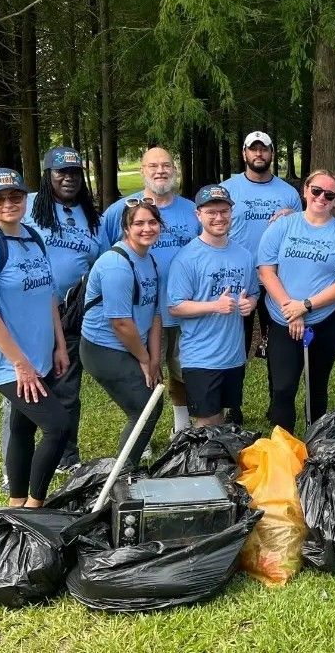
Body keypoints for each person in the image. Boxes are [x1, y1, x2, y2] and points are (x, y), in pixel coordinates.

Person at [0, 168, 70, 507]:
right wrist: (20, 365)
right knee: (58, 426)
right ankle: (36, 507)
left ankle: (17, 503)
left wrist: (60, 344)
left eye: (15, 196)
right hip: (7, 360)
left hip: (38, 353)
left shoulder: (32, 236)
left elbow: (48, 294)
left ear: (26, 198)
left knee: (23, 429)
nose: (8, 203)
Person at [0, 145, 101, 489]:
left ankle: (67, 459)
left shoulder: (90, 215)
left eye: (74, 172)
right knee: (21, 392)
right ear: (48, 176)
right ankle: (13, 466)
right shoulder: (27, 208)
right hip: (26, 315)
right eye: (61, 172)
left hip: (69, 314)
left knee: (67, 387)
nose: (68, 178)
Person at [100, 147, 198, 437]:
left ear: (175, 170)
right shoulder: (120, 211)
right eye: (153, 165)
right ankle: (142, 433)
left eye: (166, 165)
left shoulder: (192, 210)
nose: (160, 170)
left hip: (183, 309)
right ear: (142, 170)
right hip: (140, 312)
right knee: (146, 373)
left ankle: (181, 429)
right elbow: (104, 254)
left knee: (182, 371)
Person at [258, 170, 335, 432]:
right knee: (283, 387)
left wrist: (304, 305)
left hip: (326, 321)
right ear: (305, 191)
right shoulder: (282, 226)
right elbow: (266, 270)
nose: (321, 198)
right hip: (283, 318)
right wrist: (291, 310)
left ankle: (315, 443)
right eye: (316, 191)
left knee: (316, 385)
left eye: (329, 194)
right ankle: (283, 446)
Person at [221, 131, 303, 424]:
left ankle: (276, 404)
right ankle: (233, 407)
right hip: (237, 278)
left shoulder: (289, 194)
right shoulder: (227, 189)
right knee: (235, 346)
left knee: (278, 346)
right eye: (253, 149)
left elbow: (303, 231)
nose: (259, 154)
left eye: (264, 149)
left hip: (278, 279)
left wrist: (292, 216)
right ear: (244, 154)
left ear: (271, 154)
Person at [79, 200, 164, 466]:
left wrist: (154, 358)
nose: (146, 228)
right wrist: (143, 360)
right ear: (126, 228)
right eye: (138, 223)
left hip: (133, 345)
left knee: (149, 403)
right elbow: (121, 323)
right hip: (104, 348)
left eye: (152, 222)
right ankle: (123, 473)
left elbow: (154, 314)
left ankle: (128, 467)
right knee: (144, 407)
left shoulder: (149, 259)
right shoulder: (117, 264)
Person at [166, 185, 258, 427]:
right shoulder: (187, 259)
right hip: (201, 357)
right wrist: (214, 306)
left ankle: (219, 463)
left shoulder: (244, 255)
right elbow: (175, 307)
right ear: (199, 215)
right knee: (207, 422)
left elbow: (254, 293)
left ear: (231, 212)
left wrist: (250, 304)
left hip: (233, 355)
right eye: (211, 212)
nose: (219, 217)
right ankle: (200, 464)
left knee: (223, 419)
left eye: (224, 211)